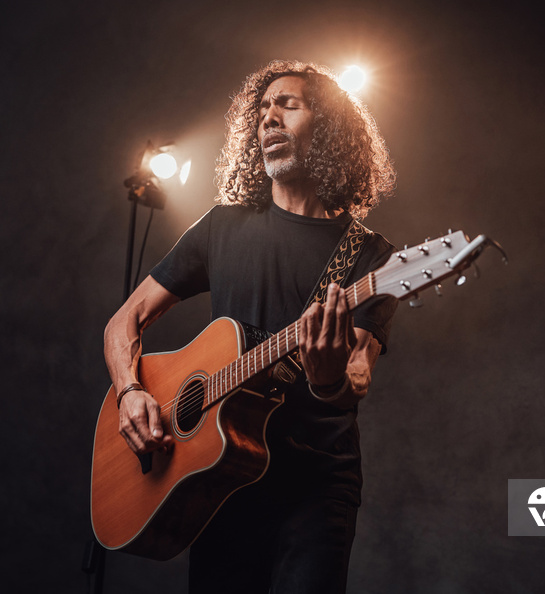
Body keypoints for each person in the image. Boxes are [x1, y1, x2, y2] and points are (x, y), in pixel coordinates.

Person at [103, 60, 398, 593]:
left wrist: (328, 377)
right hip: (220, 478)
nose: (269, 117)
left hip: (316, 481)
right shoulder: (222, 226)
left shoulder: (371, 256)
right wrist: (128, 392)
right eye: (262, 108)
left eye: (288, 104)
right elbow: (124, 322)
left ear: (329, 126)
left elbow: (357, 373)